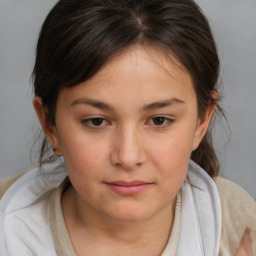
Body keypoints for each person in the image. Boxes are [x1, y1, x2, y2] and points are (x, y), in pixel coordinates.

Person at [0, 0, 255, 255]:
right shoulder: (8, 225)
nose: (128, 157)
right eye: (96, 121)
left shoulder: (237, 224)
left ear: (201, 121)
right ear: (49, 124)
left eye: (159, 120)